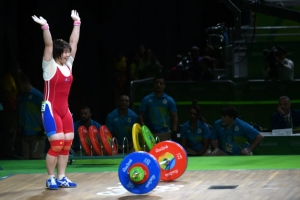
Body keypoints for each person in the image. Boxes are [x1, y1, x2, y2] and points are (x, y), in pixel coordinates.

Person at [32, 10, 81, 189]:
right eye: (65, 52)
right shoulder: (49, 65)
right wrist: (45, 27)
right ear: (58, 53)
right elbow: (48, 45)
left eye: (69, 52)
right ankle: (51, 177)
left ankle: (62, 177)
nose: (68, 54)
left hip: (65, 110)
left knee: (67, 144)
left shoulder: (68, 65)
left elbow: (74, 42)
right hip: (50, 109)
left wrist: (77, 23)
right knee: (57, 144)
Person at [139, 76, 178, 142]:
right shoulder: (146, 99)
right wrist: (144, 129)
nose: (158, 85)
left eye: (161, 83)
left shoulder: (169, 100)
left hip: (165, 133)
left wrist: (174, 131)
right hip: (150, 134)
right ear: (153, 84)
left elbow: (174, 116)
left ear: (164, 86)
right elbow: (141, 115)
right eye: (156, 83)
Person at [16, 74, 46, 160]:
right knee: (26, 162)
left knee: (35, 160)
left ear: (25, 83)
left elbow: (45, 113)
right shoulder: (21, 98)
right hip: (24, 135)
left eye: (19, 85)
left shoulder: (38, 96)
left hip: (37, 135)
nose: (17, 87)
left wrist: (44, 129)